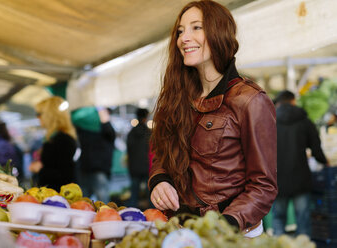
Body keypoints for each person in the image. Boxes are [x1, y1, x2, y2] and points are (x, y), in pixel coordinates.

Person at [148, 0, 277, 237]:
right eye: (180, 31)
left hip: (233, 233)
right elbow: (162, 155)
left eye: (196, 27)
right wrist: (160, 180)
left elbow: (263, 186)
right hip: (180, 229)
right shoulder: (178, 97)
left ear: (219, 32)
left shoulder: (249, 100)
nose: (184, 38)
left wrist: (224, 225)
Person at [272, 90, 328, 236]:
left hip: (277, 180)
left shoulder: (269, 121)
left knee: (278, 220)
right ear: (293, 101)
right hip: (301, 178)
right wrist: (324, 161)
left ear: (278, 103)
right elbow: (316, 148)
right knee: (303, 222)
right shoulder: (304, 121)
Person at [29, 96, 78, 192]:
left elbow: (65, 174)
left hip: (58, 196)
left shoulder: (63, 139)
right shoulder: (55, 137)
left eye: (39, 114)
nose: (37, 117)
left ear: (50, 115)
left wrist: (40, 169)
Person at [74, 107, 115, 203]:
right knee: (84, 203)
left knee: (102, 203)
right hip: (87, 169)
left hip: (97, 170)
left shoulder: (105, 129)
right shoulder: (85, 129)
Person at [126, 108, 152, 209]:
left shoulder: (131, 133)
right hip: (147, 167)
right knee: (150, 194)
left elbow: (128, 151)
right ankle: (153, 215)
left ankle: (131, 215)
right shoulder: (149, 133)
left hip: (134, 167)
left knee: (134, 195)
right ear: (146, 118)